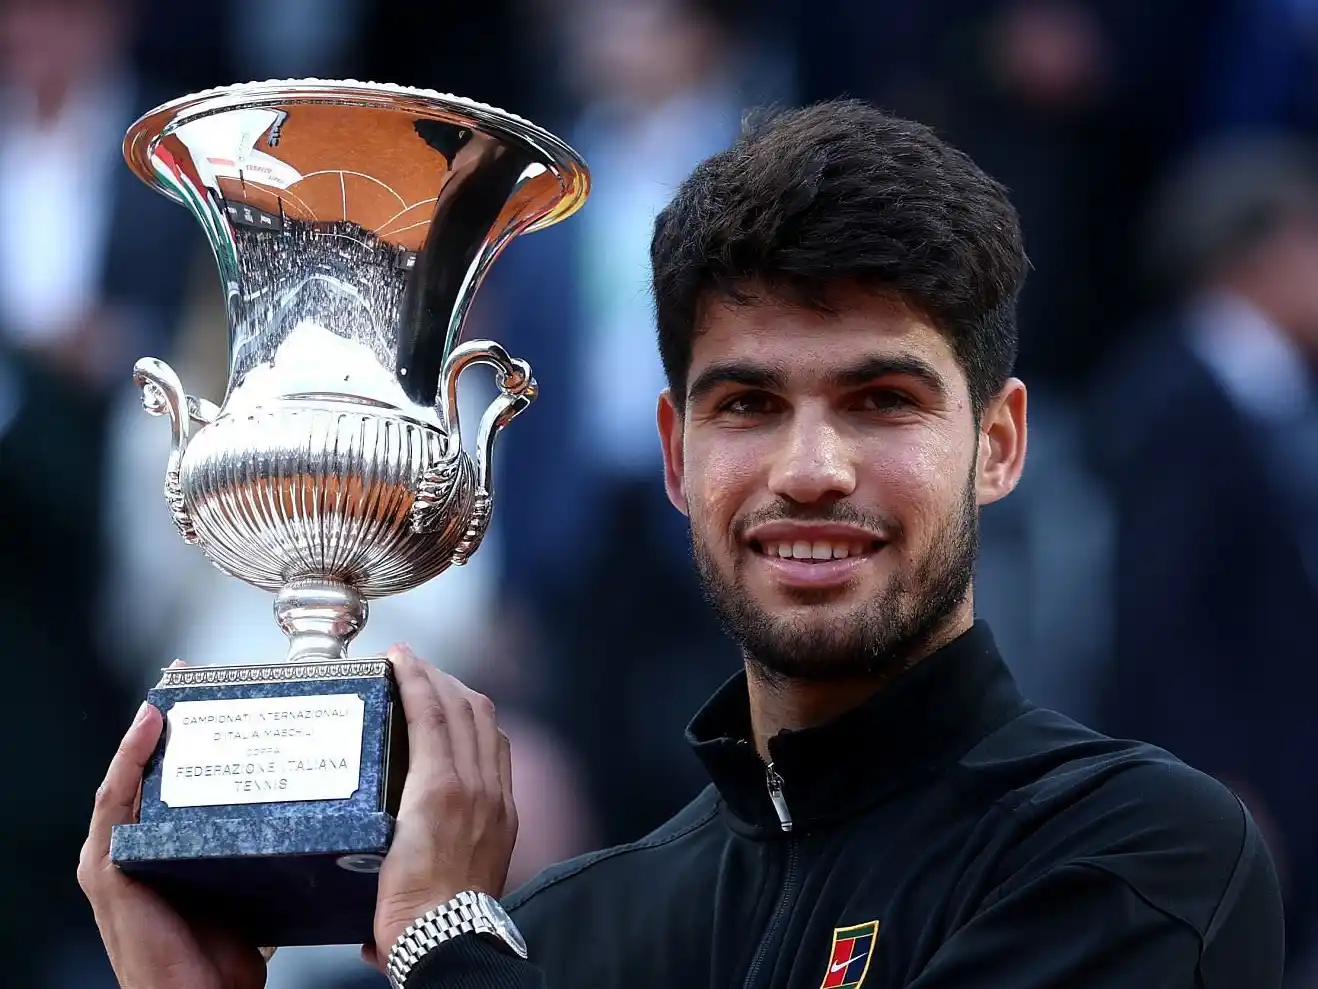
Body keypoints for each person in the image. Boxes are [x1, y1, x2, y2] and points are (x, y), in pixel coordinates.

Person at [79, 99, 1284, 989]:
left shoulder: (1136, 849)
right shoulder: (560, 931)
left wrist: (447, 949)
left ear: (999, 444)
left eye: (881, 400)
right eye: (748, 404)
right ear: (674, 453)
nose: (809, 467)